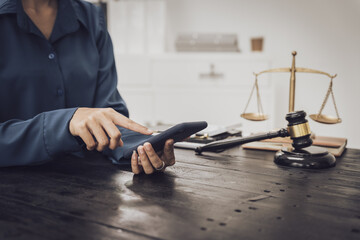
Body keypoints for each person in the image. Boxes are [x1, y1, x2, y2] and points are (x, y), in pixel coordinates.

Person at [0, 0, 176, 174]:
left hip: (90, 187)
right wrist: (65, 124)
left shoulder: (92, 17)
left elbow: (109, 115)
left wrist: (141, 149)